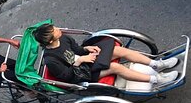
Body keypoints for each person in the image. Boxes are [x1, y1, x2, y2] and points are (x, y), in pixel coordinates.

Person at [32, 23, 178, 85]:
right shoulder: (50, 60)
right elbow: (67, 77)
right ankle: (156, 80)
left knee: (118, 50)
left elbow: (76, 49)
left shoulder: (63, 38)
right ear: (50, 40)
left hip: (86, 60)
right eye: (54, 30)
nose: (58, 28)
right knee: (116, 68)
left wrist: (87, 49)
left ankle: (157, 64)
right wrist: (81, 60)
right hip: (80, 73)